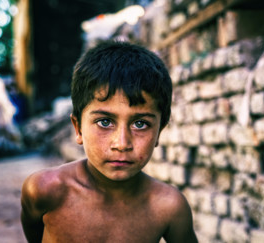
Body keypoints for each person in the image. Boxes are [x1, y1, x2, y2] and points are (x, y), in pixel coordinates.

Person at [21, 40, 198, 243]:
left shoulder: (168, 208)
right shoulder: (44, 190)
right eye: (105, 122)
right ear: (78, 128)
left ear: (159, 132)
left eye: (140, 124)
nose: (121, 143)